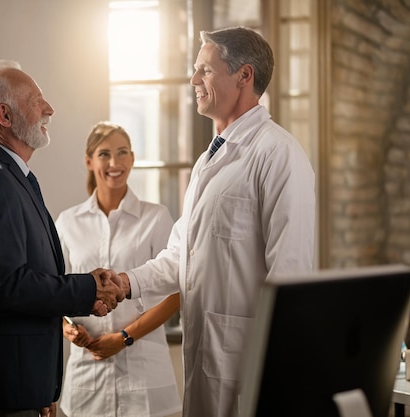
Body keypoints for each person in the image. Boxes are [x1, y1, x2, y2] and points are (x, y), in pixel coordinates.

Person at [117, 27, 316, 417]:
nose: (193, 81)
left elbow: (289, 277)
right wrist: (126, 283)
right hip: (207, 363)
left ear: (244, 76)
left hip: (248, 372)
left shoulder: (279, 155)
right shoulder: (209, 160)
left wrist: (278, 381)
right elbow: (181, 255)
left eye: (204, 71)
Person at [0, 60, 125, 417]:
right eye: (36, 100)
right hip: (2, 388)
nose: (49, 109)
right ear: (5, 115)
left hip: (21, 385)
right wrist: (89, 290)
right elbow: (6, 286)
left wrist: (40, 386)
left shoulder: (10, 175)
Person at [55, 121, 182, 417]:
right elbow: (54, 291)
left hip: (145, 377)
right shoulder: (67, 223)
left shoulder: (156, 218)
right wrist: (66, 328)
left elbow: (176, 293)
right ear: (89, 161)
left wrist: (124, 338)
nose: (115, 163)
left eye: (122, 152)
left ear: (133, 159)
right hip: (86, 379)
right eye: (104, 154)